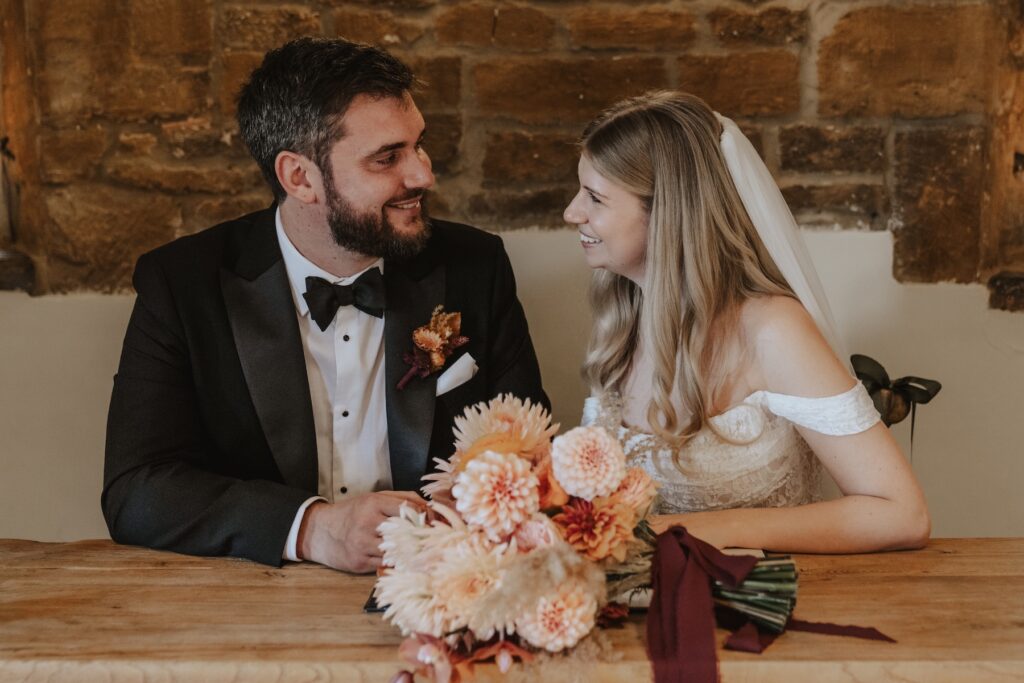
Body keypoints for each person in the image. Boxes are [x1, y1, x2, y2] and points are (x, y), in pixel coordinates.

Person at [102, 38, 548, 572]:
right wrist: (312, 528)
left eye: (418, 145)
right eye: (387, 158)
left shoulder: (476, 265)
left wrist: (482, 499)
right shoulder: (182, 284)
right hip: (249, 604)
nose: (423, 175)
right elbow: (137, 490)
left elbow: (531, 448)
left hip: (437, 591)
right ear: (300, 177)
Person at [565, 91, 930, 553]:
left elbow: (902, 513)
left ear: (670, 213)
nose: (572, 212)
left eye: (594, 197)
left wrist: (684, 535)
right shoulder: (624, 318)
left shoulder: (772, 329)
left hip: (768, 602)